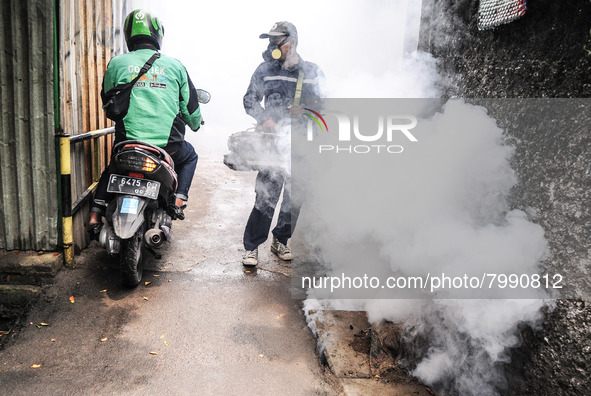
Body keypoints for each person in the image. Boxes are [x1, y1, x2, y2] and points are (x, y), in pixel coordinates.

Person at [88, 9, 202, 230]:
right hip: (168, 147)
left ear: (129, 34)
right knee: (190, 157)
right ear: (158, 34)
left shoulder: (116, 64)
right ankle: (178, 200)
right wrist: (196, 124)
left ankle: (95, 212)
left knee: (114, 164)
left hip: (127, 142)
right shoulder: (175, 66)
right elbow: (190, 108)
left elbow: (107, 101)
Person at [242, 21, 325, 266]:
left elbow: (327, 107)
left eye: (277, 39)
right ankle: (252, 247)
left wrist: (307, 112)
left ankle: (281, 240)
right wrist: (264, 118)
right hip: (271, 144)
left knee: (294, 198)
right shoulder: (264, 69)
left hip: (301, 144)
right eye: (270, 39)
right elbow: (249, 99)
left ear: (292, 42)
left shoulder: (312, 72)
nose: (273, 44)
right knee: (266, 195)